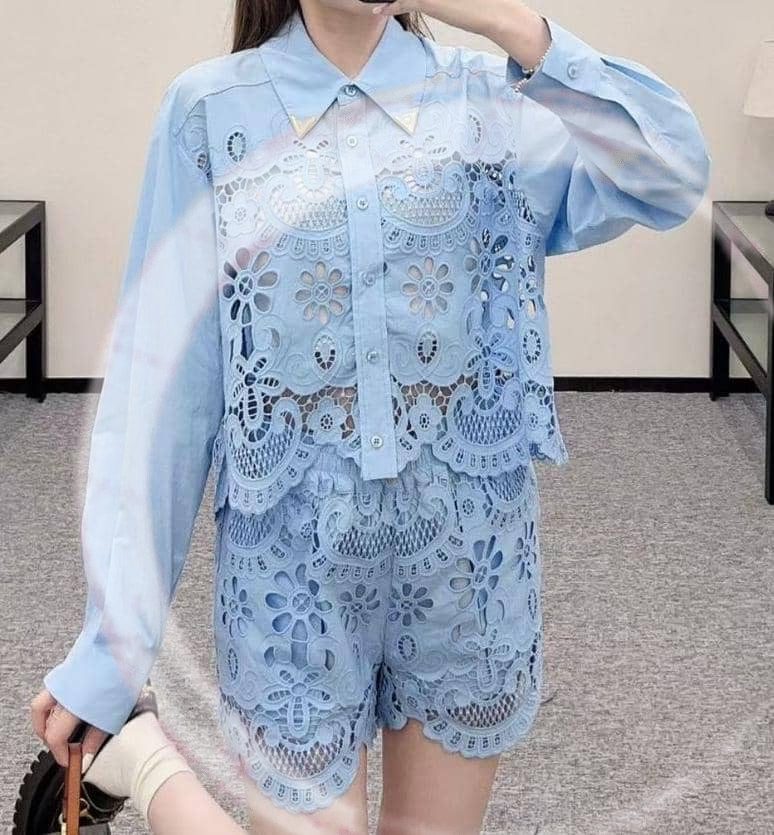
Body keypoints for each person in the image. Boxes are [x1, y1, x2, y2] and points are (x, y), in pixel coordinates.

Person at [25, 0, 711, 832]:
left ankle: (141, 758)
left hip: (468, 566)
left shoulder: (491, 101)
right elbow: (160, 403)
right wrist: (114, 649)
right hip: (292, 576)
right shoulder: (212, 112)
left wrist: (508, 23)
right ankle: (145, 758)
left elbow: (669, 173)